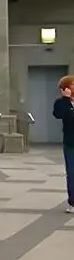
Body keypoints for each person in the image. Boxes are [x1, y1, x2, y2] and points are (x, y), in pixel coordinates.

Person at [53, 76, 74, 213]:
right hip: (70, 143)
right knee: (71, 173)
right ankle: (72, 202)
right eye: (72, 84)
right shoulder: (61, 103)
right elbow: (59, 114)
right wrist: (66, 100)